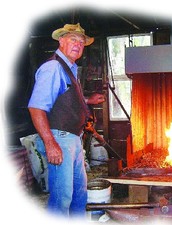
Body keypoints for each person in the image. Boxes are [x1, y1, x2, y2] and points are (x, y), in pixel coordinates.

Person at [27, 23, 105, 218]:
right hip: (59, 138)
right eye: (73, 39)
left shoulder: (69, 68)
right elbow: (36, 107)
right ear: (61, 41)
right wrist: (50, 142)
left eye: (81, 41)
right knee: (62, 197)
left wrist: (87, 100)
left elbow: (63, 96)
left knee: (79, 194)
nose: (78, 44)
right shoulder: (53, 67)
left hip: (73, 139)